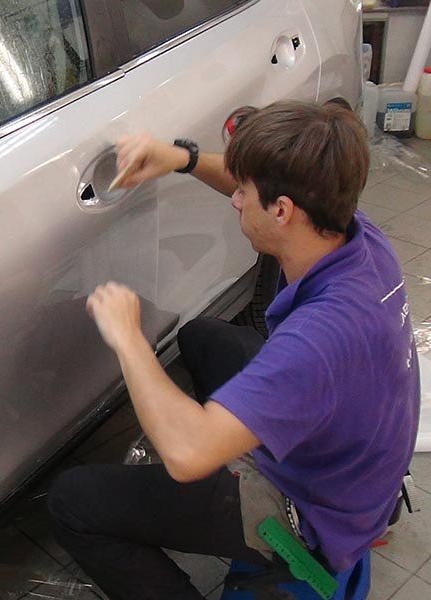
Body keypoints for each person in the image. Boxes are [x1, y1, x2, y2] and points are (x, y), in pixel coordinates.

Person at [47, 100, 421, 600]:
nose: (235, 200)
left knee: (73, 500)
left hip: (315, 509)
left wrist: (129, 339)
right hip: (358, 463)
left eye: (243, 192)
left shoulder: (320, 338)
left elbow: (188, 455)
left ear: (282, 211)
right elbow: (267, 185)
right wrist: (181, 159)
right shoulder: (356, 236)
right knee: (204, 337)